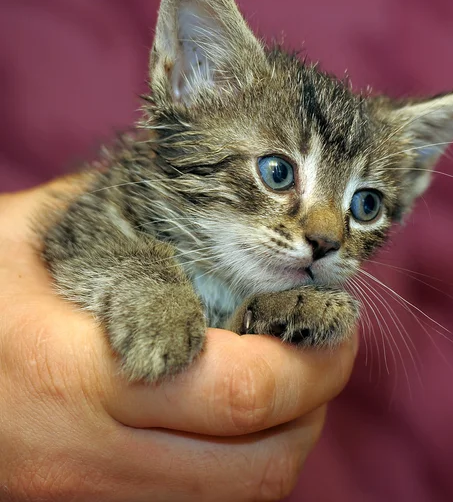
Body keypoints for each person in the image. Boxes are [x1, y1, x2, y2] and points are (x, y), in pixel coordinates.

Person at [0, 178, 358, 501]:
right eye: (278, 174)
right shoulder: (123, 205)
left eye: (364, 205)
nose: (327, 235)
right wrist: (149, 284)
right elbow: (79, 233)